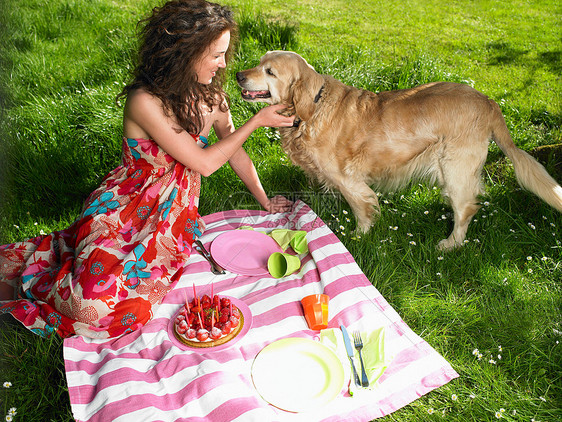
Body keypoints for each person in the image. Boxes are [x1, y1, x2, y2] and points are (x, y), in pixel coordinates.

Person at [0, 0, 295, 338]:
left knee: (127, 310)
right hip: (123, 209)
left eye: (225, 54)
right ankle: (35, 289)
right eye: (216, 54)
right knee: (86, 305)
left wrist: (265, 200)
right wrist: (257, 121)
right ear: (185, 51)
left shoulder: (213, 99)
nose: (223, 64)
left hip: (169, 221)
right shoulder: (144, 101)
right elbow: (204, 163)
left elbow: (234, 153)